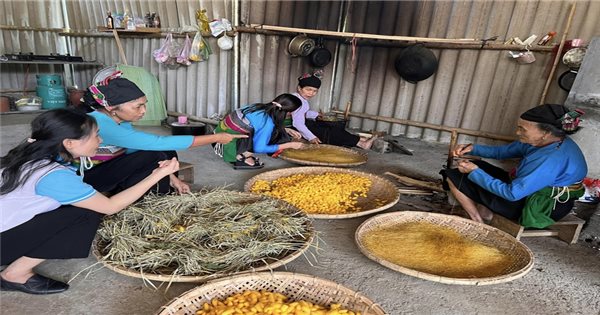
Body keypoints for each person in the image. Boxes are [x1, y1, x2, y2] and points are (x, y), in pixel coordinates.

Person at [0, 108, 179, 295]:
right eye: (96, 136)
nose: (100, 140)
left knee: (144, 158)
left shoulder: (35, 153)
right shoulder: (52, 175)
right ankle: (14, 274)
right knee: (85, 214)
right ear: (69, 143)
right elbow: (110, 207)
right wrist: (158, 175)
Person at [81, 73, 246, 194]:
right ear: (111, 107)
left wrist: (176, 180)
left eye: (145, 104)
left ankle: (169, 188)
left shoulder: (120, 121)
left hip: (107, 168)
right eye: (137, 106)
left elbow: (138, 149)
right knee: (153, 153)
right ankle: (152, 197)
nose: (143, 111)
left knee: (165, 153)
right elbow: (157, 142)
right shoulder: (99, 123)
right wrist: (217, 137)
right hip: (86, 178)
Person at [443, 104, 587, 228]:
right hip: (529, 192)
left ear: (546, 133)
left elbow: (512, 194)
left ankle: (477, 221)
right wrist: (472, 148)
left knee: (454, 175)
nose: (518, 132)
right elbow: (502, 152)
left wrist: (475, 172)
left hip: (543, 207)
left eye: (522, 129)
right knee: (475, 166)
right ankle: (485, 213)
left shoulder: (550, 159)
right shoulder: (546, 142)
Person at [214, 93, 305, 169]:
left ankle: (241, 152)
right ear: (288, 113)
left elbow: (256, 123)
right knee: (277, 136)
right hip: (224, 146)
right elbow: (259, 148)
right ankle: (241, 157)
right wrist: (290, 145)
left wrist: (286, 129)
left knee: (276, 131)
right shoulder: (267, 123)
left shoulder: (257, 106)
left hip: (217, 136)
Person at [289, 73, 377, 149]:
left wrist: (316, 114)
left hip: (297, 123)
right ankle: (362, 143)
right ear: (299, 88)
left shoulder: (298, 97)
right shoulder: (298, 101)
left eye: (315, 91)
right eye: (308, 89)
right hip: (290, 126)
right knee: (327, 132)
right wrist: (311, 137)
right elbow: (298, 123)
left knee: (329, 127)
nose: (311, 93)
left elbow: (301, 113)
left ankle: (359, 140)